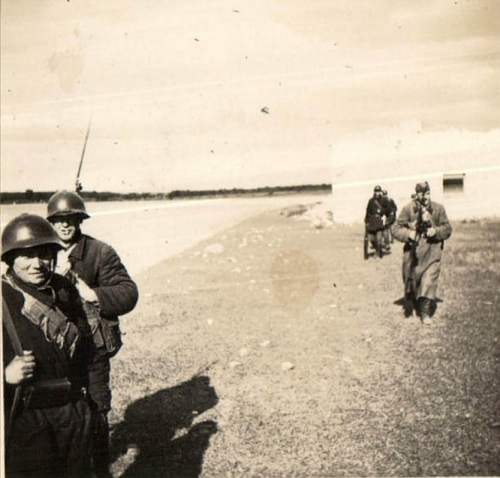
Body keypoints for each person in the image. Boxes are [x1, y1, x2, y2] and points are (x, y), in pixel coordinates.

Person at [46, 190, 139, 478]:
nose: (64, 225)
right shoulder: (41, 252)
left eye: (70, 218)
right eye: (58, 220)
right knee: (63, 412)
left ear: (79, 220)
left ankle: (100, 470)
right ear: (50, 222)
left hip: (93, 348)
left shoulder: (100, 252)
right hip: (57, 351)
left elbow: (127, 293)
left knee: (97, 409)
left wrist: (92, 293)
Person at [2, 213, 93, 478]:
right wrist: (4, 376)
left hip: (73, 412)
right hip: (26, 419)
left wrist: (95, 404)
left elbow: (88, 350)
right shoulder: (3, 297)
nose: (37, 264)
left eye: (44, 254)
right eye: (26, 256)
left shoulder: (64, 288)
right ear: (9, 259)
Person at [392, 181, 452, 325]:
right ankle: (412, 301)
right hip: (413, 255)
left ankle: (425, 313)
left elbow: (447, 228)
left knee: (428, 281)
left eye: (426, 193)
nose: (424, 197)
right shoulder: (408, 209)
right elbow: (395, 229)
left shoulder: (438, 209)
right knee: (412, 282)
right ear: (416, 194)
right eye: (420, 193)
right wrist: (408, 234)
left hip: (432, 252)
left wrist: (436, 231)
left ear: (429, 193)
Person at [364, 185, 385, 257]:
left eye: (378, 191)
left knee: (379, 239)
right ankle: (377, 249)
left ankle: (378, 253)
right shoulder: (371, 201)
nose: (377, 193)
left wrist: (386, 218)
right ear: (374, 192)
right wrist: (366, 221)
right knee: (372, 239)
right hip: (372, 222)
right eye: (376, 191)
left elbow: (388, 210)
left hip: (379, 222)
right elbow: (368, 211)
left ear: (380, 192)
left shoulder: (383, 200)